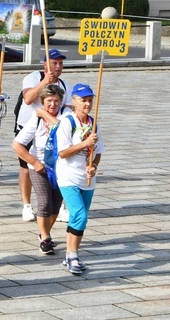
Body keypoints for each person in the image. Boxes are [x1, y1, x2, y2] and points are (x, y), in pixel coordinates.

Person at [14, 48, 72, 222]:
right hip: (29, 126)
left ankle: (60, 206)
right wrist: (44, 82)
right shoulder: (32, 77)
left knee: (58, 165)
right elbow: (28, 99)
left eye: (60, 64)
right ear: (45, 64)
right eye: (54, 63)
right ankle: (26, 205)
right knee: (26, 168)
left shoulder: (63, 85)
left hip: (52, 130)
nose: (58, 67)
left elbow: (67, 107)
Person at [56, 84, 104, 275]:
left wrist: (93, 167)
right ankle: (74, 254)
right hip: (68, 176)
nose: (87, 104)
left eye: (90, 100)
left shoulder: (93, 123)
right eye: (83, 100)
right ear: (73, 102)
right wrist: (84, 143)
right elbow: (63, 152)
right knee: (79, 215)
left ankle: (69, 254)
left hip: (87, 178)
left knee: (80, 219)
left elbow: (98, 151)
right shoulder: (67, 122)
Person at [12, 84, 65, 255]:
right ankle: (45, 238)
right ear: (43, 101)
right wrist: (34, 162)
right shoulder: (35, 120)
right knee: (44, 201)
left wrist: (44, 114)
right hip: (39, 166)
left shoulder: (66, 116)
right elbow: (17, 145)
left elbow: (62, 128)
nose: (53, 105)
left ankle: (44, 231)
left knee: (56, 206)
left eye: (56, 101)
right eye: (49, 101)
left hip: (60, 167)